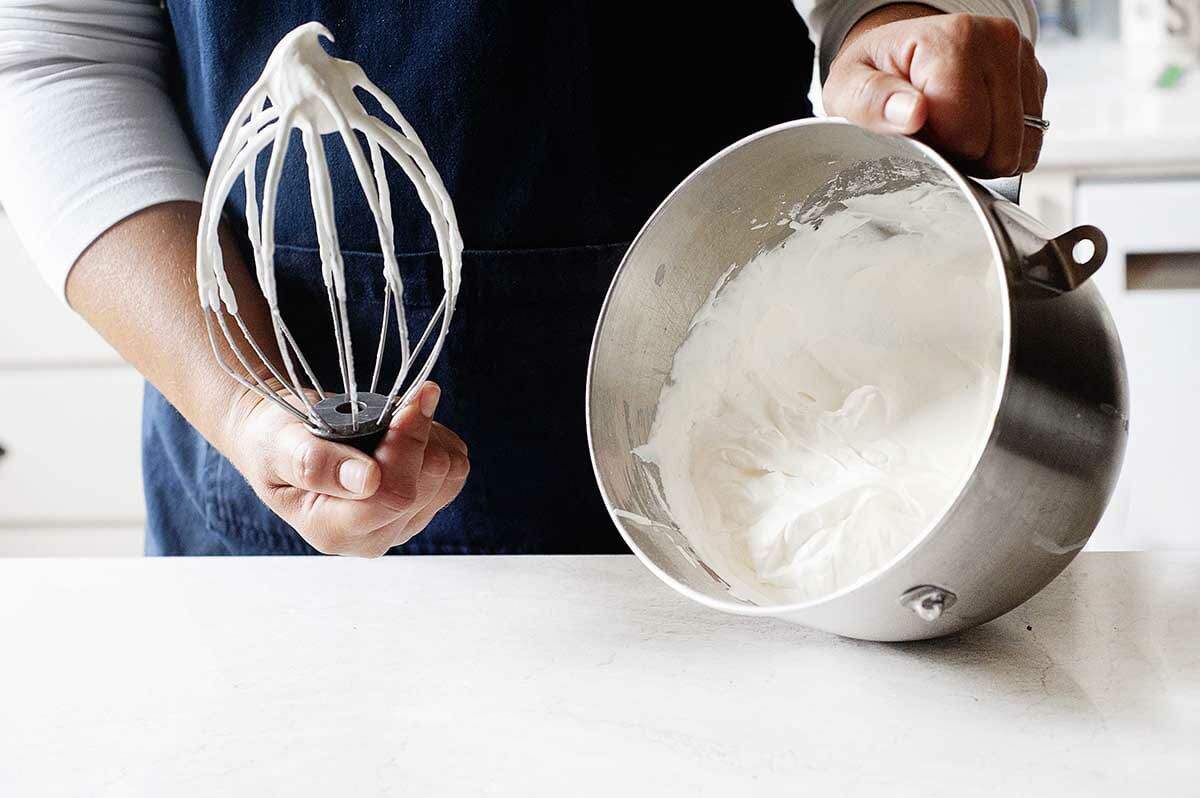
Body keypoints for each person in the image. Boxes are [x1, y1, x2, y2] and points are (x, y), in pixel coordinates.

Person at [0, 1, 1046, 557]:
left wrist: (900, 20)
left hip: (756, 482)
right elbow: (54, 56)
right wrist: (244, 406)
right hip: (272, 538)